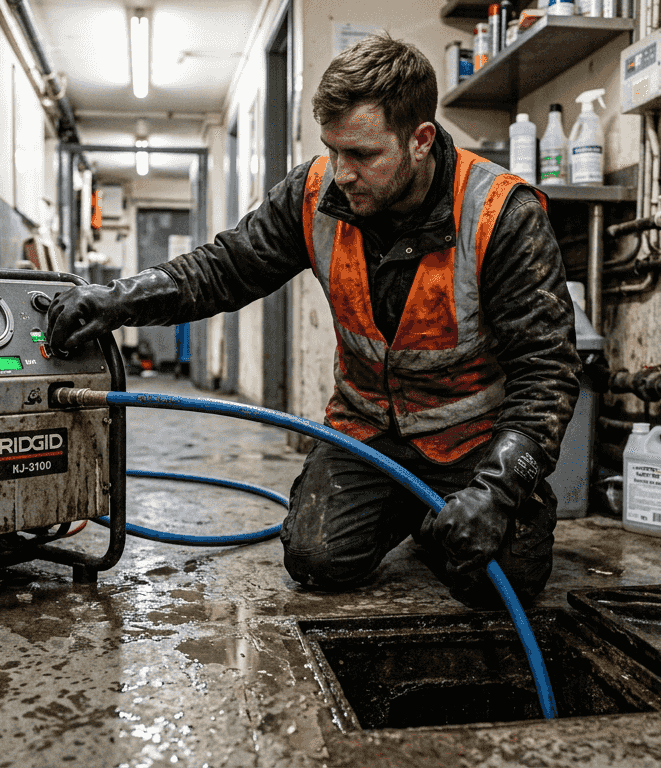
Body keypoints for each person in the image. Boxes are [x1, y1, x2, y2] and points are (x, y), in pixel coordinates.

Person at [47, 34, 580, 607]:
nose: (342, 174)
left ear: (421, 140)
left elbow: (546, 370)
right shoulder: (315, 194)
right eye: (333, 151)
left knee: (504, 584)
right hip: (368, 430)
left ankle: (440, 515)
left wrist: (499, 490)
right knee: (315, 559)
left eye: (363, 156)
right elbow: (224, 269)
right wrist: (116, 299)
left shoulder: (501, 214)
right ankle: (409, 509)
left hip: (471, 445)